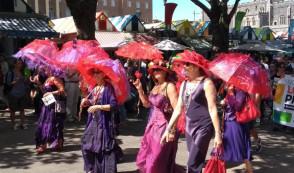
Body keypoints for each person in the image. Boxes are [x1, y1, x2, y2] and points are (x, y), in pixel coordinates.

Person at [160, 50, 222, 173]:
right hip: (189, 126)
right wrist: (168, 129)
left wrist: (218, 134)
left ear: (196, 67)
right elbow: (178, 109)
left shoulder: (207, 83)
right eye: (184, 64)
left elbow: (212, 109)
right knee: (194, 161)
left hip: (204, 126)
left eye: (187, 64)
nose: (184, 67)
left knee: (193, 162)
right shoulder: (184, 84)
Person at [133, 60, 180, 173]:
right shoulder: (156, 86)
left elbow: (177, 109)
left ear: (165, 72)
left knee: (157, 158)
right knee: (150, 157)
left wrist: (172, 130)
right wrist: (139, 89)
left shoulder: (169, 86)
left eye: (159, 69)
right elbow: (147, 104)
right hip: (152, 126)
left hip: (164, 127)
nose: (156, 72)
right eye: (154, 70)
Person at [80, 68, 118, 173]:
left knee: (104, 147)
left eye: (98, 72)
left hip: (104, 123)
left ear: (103, 74)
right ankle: (92, 168)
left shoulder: (108, 87)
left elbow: (114, 105)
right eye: (94, 73)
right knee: (86, 144)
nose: (95, 75)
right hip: (93, 121)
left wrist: (98, 107)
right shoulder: (95, 88)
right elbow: (93, 102)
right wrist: (87, 101)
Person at [220, 84, 253, 173]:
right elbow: (228, 107)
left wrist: (230, 95)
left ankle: (249, 170)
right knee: (224, 148)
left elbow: (237, 106)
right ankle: (221, 170)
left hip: (236, 123)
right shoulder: (231, 89)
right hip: (229, 122)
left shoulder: (240, 90)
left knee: (241, 148)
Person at [35, 67, 66, 154]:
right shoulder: (47, 79)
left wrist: (51, 93)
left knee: (54, 124)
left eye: (47, 69)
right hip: (47, 104)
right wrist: (39, 84)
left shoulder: (54, 78)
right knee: (44, 124)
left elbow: (62, 90)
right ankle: (44, 145)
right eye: (45, 69)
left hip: (54, 105)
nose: (45, 70)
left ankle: (58, 143)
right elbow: (44, 92)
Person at [6, 60, 28, 130]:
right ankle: (13, 124)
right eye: (19, 63)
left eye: (21, 63)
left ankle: (22, 123)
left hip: (22, 93)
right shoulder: (10, 73)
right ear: (15, 64)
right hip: (13, 93)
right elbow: (8, 83)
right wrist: (16, 80)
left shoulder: (23, 72)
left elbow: (25, 82)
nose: (20, 65)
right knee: (13, 110)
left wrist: (26, 80)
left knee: (22, 110)